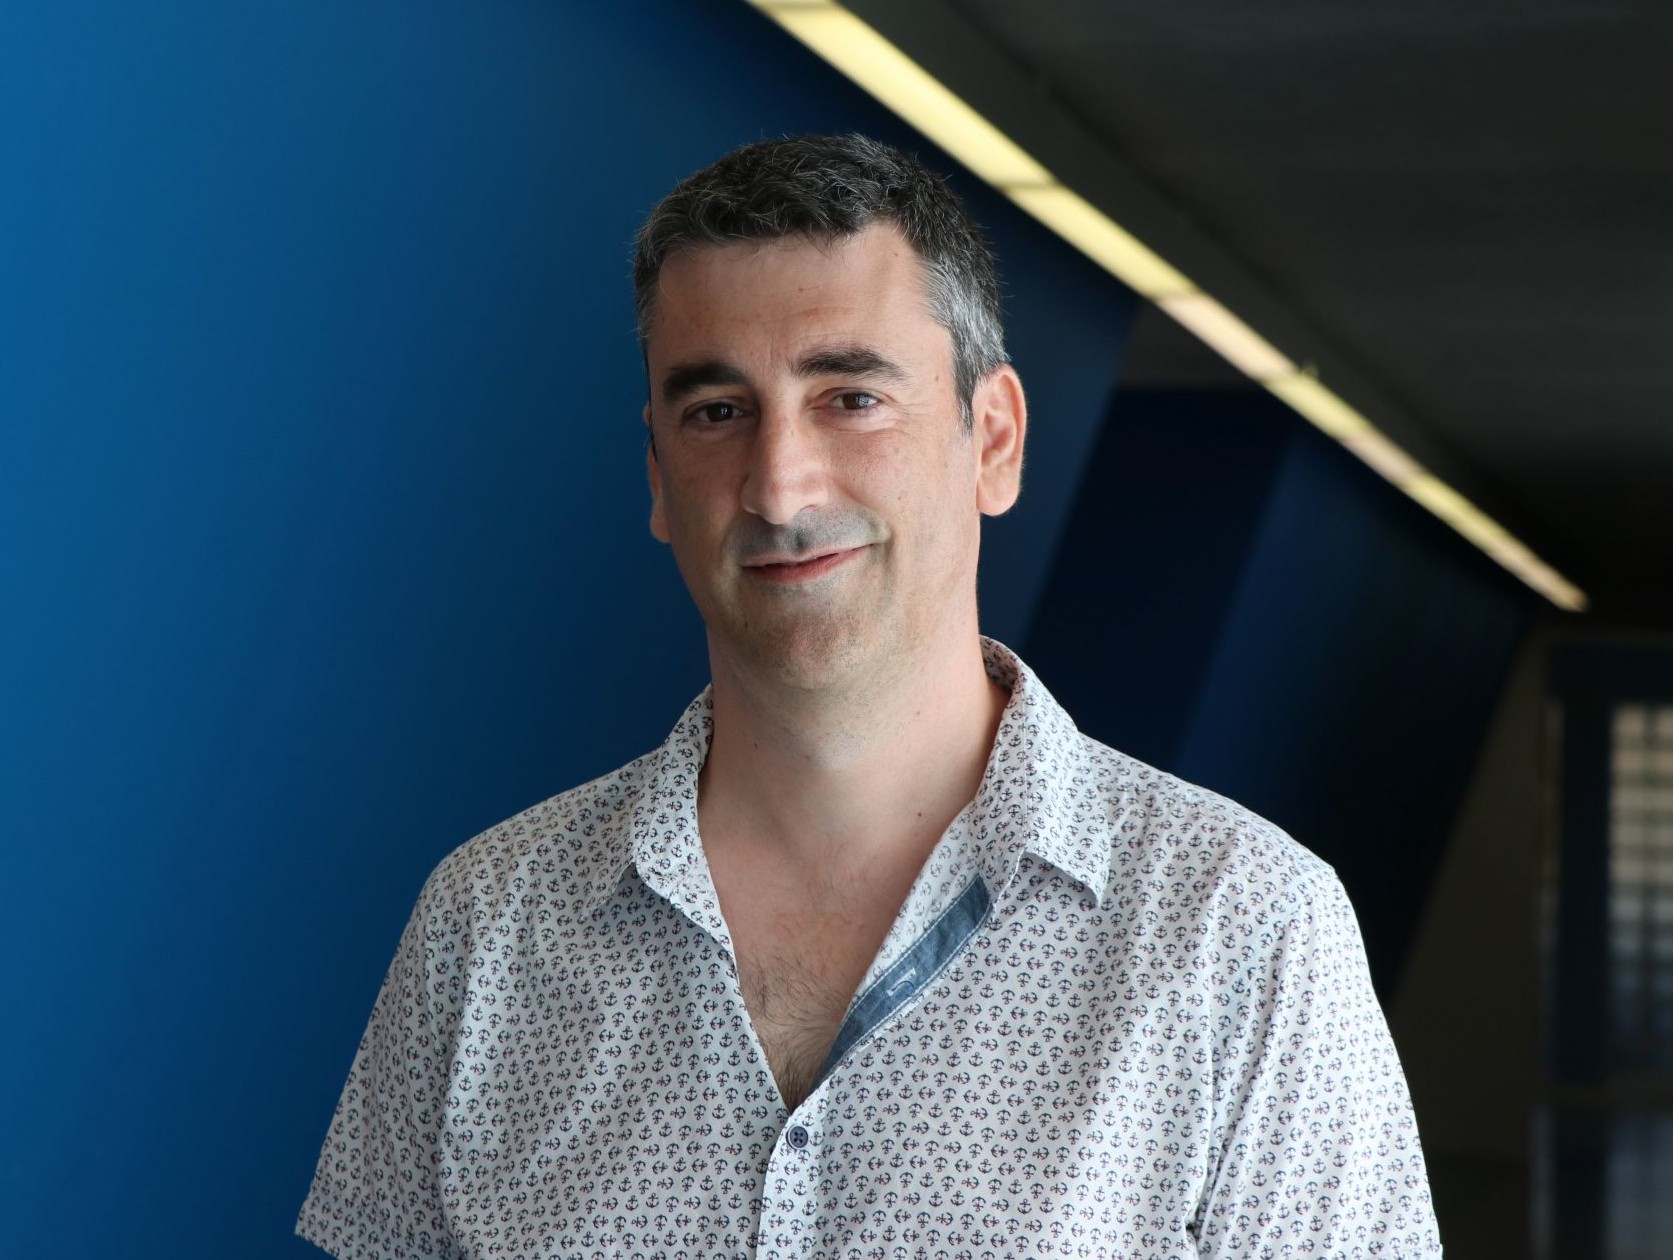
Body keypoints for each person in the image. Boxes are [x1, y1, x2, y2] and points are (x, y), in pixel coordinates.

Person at [298, 133, 1440, 1258]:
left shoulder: (1243, 927)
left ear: (992, 440)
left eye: (848, 397)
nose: (779, 488)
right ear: (656, 476)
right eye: (716, 411)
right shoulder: (486, 925)